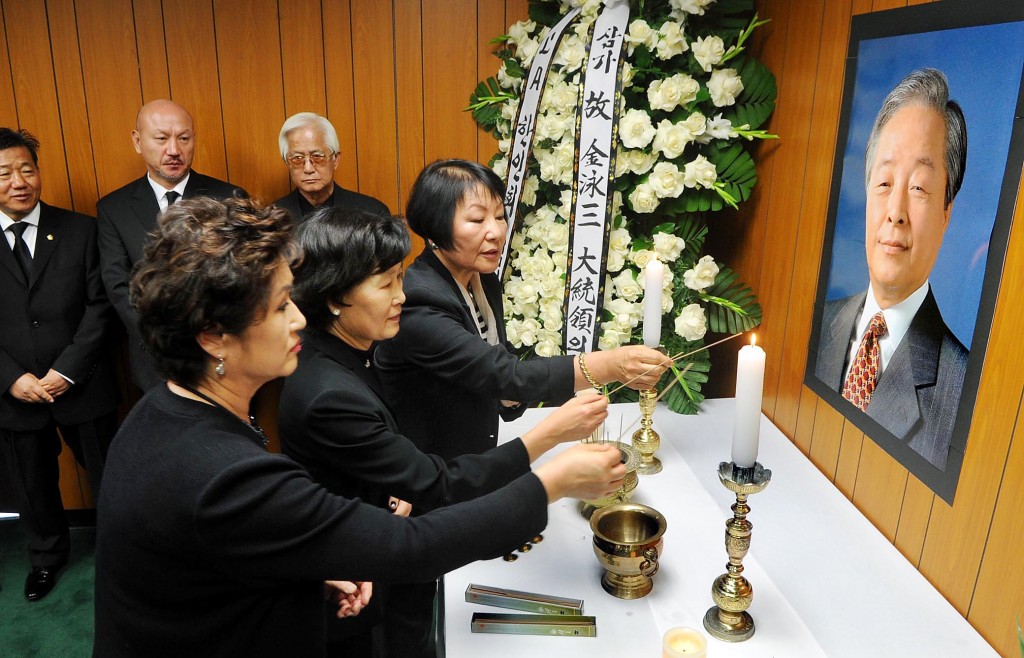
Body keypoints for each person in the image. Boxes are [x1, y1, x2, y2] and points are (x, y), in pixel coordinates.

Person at [93, 196, 625, 657]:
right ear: (213, 337)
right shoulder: (225, 473)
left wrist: (307, 566)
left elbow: (213, 556)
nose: (299, 319)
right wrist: (552, 480)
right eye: (281, 307)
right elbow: (413, 547)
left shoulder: (161, 412)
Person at [279, 208, 610, 657]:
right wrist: (548, 438)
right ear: (336, 297)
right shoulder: (329, 392)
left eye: (400, 278)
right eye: (386, 284)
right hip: (352, 595)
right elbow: (437, 484)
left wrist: (388, 487)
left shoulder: (349, 350)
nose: (402, 296)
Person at [376, 159, 670, 462]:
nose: (496, 232)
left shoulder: (482, 278)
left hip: (472, 456)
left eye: (500, 216)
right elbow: (501, 372)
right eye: (477, 220)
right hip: (429, 468)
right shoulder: (419, 299)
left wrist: (510, 390)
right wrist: (607, 366)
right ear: (433, 229)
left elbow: (494, 365)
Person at [814, 68, 969, 470]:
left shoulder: (962, 388)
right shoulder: (820, 323)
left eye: (918, 187)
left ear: (946, 212)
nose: (895, 213)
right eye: (884, 183)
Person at [0, 128, 118, 601]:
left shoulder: (80, 229)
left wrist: (67, 370)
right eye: (5, 173)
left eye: (27, 169)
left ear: (39, 172)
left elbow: (100, 306)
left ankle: (125, 552)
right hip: (14, 392)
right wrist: (10, 379)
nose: (18, 181)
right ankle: (46, 559)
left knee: (110, 474)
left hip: (82, 383)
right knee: (32, 485)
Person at [96, 99, 247, 391]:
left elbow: (242, 274)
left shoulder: (229, 197)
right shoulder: (114, 208)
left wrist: (210, 333)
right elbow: (117, 285)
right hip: (155, 359)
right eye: (162, 139)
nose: (174, 150)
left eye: (184, 138)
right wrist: (166, 337)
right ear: (138, 142)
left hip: (221, 354)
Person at [272, 112, 389, 222]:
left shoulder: (372, 213)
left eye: (317, 156)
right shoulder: (273, 219)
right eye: (297, 158)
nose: (308, 169)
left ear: (335, 159)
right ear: (287, 163)